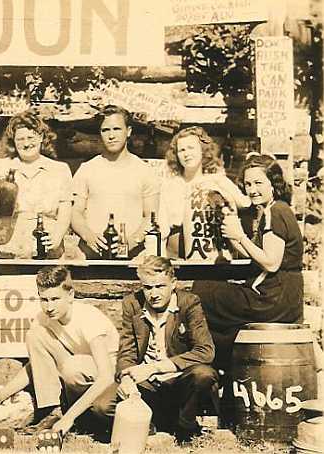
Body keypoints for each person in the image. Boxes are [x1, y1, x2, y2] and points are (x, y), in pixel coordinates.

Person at [192, 154, 304, 370]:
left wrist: (240, 236)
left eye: (258, 183)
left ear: (274, 183)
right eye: (248, 184)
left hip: (272, 299)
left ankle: (212, 361)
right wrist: (235, 239)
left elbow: (271, 263)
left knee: (201, 292)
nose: (252, 189)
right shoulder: (275, 210)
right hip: (285, 298)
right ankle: (230, 363)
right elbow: (260, 256)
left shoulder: (276, 212)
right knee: (226, 328)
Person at [0, 266, 119, 438]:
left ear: (70, 296)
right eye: (44, 299)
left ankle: (70, 416)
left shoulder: (88, 317)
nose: (49, 306)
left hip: (109, 380)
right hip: (76, 377)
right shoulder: (44, 318)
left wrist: (69, 418)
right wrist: (0, 396)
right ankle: (53, 411)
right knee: (35, 334)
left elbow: (106, 376)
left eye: (55, 299)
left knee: (72, 366)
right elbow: (35, 365)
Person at [105, 255, 218, 445]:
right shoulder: (132, 304)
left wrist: (155, 367)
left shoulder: (189, 303)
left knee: (204, 375)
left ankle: (184, 427)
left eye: (160, 286)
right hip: (146, 385)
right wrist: (126, 378)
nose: (154, 294)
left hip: (179, 380)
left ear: (173, 283)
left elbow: (206, 351)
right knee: (102, 407)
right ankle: (154, 422)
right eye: (148, 287)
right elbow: (127, 352)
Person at [0, 110, 72, 259]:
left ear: (41, 137)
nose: (26, 143)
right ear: (13, 141)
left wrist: (57, 236)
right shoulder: (1, 165)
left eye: (31, 137)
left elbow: (65, 209)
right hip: (6, 242)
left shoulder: (59, 169)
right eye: (20, 139)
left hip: (45, 241)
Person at [71, 105, 159, 259]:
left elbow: (151, 217)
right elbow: (75, 212)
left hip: (134, 257)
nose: (111, 136)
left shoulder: (145, 171)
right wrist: (88, 236)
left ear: (129, 131)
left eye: (117, 129)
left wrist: (132, 241)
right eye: (106, 130)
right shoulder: (87, 169)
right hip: (93, 256)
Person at [158, 126, 250, 260]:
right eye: (181, 150)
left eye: (191, 148)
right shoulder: (170, 185)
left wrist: (219, 185)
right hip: (177, 259)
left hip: (213, 257)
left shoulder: (217, 180)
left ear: (203, 150)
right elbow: (162, 228)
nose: (186, 154)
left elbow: (245, 203)